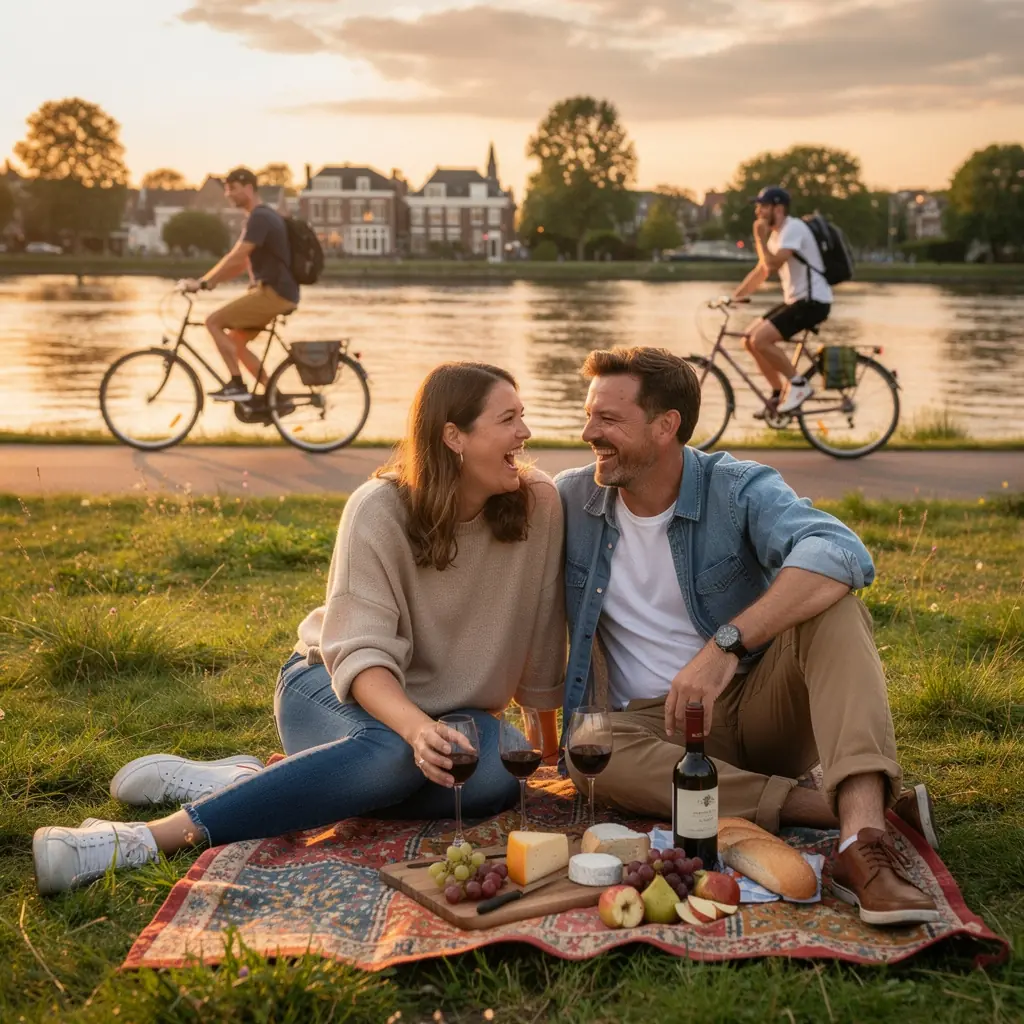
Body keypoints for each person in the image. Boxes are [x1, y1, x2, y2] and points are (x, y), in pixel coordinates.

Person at [33, 363, 566, 895]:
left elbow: (542, 631)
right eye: (508, 419)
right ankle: (147, 838)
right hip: (332, 687)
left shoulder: (536, 502)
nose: (525, 433)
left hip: (448, 715)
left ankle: (250, 783)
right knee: (393, 752)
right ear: (454, 436)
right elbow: (361, 656)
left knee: (495, 775)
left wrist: (546, 755)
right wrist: (415, 730)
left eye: (523, 417)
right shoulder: (378, 509)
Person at [556, 345, 939, 927]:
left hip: (756, 707)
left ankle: (862, 852)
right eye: (589, 415)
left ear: (666, 426)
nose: (589, 432)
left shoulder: (735, 488)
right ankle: (848, 807)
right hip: (651, 728)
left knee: (834, 607)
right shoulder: (570, 499)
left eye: (608, 419)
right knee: (590, 758)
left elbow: (840, 551)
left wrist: (724, 646)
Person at [177, 166, 299, 402]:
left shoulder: (260, 217)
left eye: (232, 189)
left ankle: (236, 385)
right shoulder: (260, 217)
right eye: (226, 189)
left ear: (249, 188)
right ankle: (276, 398)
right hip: (276, 292)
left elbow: (237, 255)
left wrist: (203, 282)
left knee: (213, 322)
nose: (228, 194)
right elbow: (242, 262)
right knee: (236, 343)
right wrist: (211, 284)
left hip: (274, 294)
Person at [731, 186, 833, 418]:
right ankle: (778, 394)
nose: (758, 211)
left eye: (763, 206)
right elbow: (763, 271)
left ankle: (799, 385)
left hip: (813, 302)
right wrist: (734, 297)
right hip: (797, 300)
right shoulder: (779, 234)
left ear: (778, 208)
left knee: (761, 339)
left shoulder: (793, 228)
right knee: (749, 340)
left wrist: (759, 238)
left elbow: (773, 264)